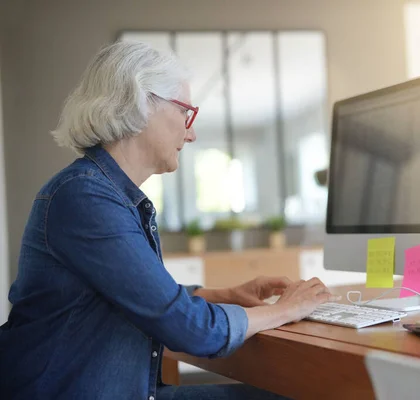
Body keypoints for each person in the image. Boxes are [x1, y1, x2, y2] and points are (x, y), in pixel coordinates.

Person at [0, 41, 339, 400]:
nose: (190, 133)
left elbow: (146, 296)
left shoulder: (108, 196)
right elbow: (190, 330)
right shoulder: (85, 198)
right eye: (185, 113)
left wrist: (226, 295)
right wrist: (287, 309)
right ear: (141, 101)